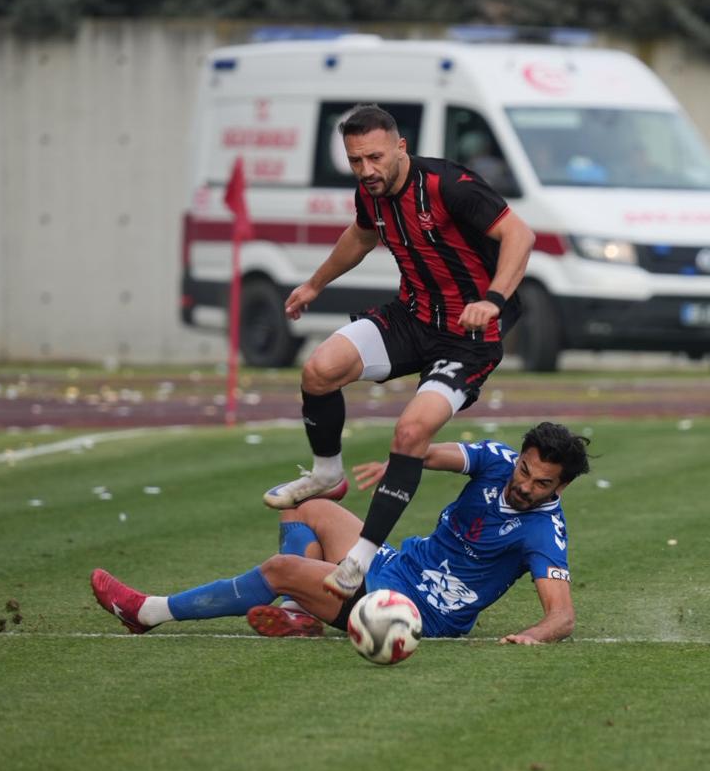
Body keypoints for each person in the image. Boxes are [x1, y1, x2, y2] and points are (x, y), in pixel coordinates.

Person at [262, 104, 537, 603]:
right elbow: (362, 236)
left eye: (375, 157)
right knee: (319, 370)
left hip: (468, 338)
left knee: (411, 431)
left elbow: (520, 234)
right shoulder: (372, 193)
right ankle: (327, 473)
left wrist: (492, 300)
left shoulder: (448, 185)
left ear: (400, 148)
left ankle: (362, 554)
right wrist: (314, 284)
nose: (366, 170)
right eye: (355, 161)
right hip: (412, 318)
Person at [92, 422, 590, 645]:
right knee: (307, 506)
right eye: (524, 470)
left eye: (541, 482)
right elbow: (432, 453)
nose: (525, 485)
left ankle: (148, 612)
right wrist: (399, 463)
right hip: (396, 565)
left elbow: (562, 615)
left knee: (281, 569)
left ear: (562, 485)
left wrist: (529, 637)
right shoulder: (500, 462)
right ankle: (297, 613)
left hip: (415, 611)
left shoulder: (544, 532)